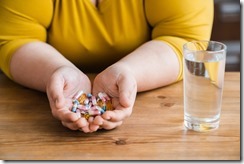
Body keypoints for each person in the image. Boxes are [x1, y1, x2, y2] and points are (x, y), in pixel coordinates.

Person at [0, 0, 213, 133]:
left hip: (156, 120)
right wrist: (54, 72)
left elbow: (184, 41)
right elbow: (15, 39)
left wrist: (131, 73)